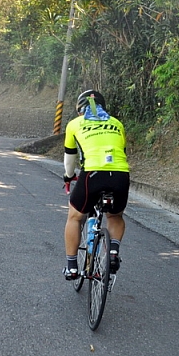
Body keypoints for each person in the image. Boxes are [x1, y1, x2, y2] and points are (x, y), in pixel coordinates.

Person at [62, 89, 130, 280]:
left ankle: (72, 266)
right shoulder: (116, 123)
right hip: (120, 174)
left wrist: (68, 177)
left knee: (75, 217)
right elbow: (122, 151)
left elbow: (70, 159)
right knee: (115, 215)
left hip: (92, 173)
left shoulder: (75, 124)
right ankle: (113, 252)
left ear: (79, 110)